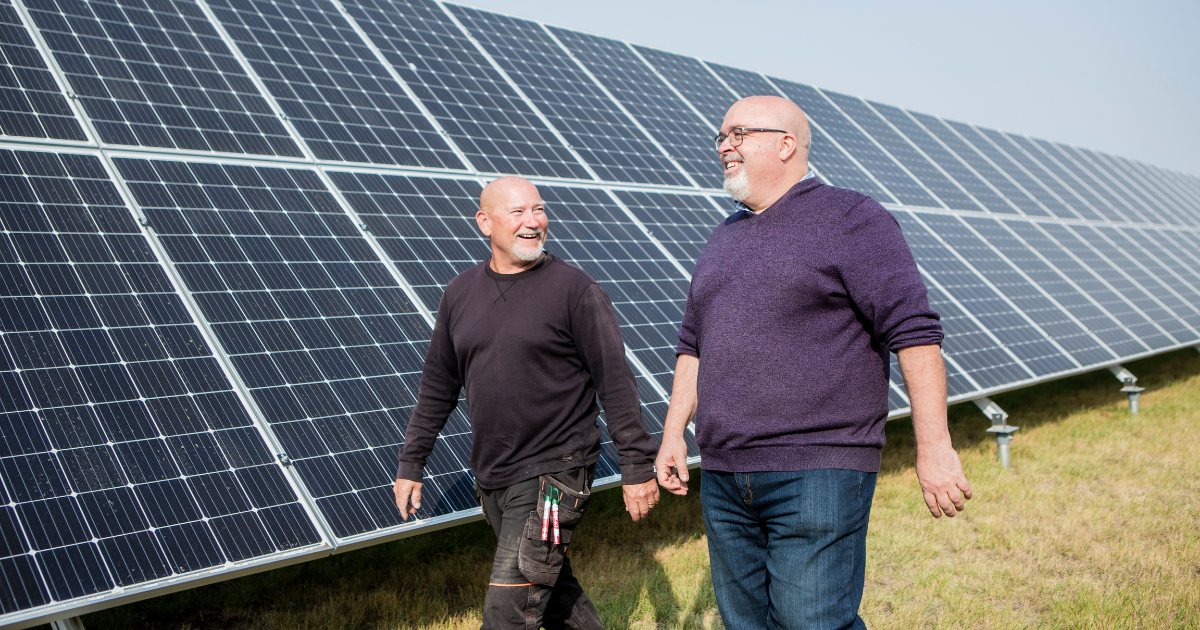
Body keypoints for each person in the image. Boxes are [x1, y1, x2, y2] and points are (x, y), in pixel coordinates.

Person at [654, 96, 972, 630]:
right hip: (728, 472)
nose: (724, 145)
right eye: (721, 136)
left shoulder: (852, 218)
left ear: (786, 144)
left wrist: (934, 446)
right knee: (747, 624)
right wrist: (672, 436)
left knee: (812, 622)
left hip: (818, 468)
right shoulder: (722, 237)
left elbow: (915, 334)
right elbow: (695, 344)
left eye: (739, 133)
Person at [393, 176, 660, 630]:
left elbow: (615, 381)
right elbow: (438, 384)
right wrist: (411, 462)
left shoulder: (575, 290)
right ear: (485, 222)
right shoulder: (459, 293)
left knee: (507, 613)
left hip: (555, 473)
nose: (532, 222)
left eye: (538, 210)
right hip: (494, 474)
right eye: (517, 212)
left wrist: (637, 465)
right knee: (555, 596)